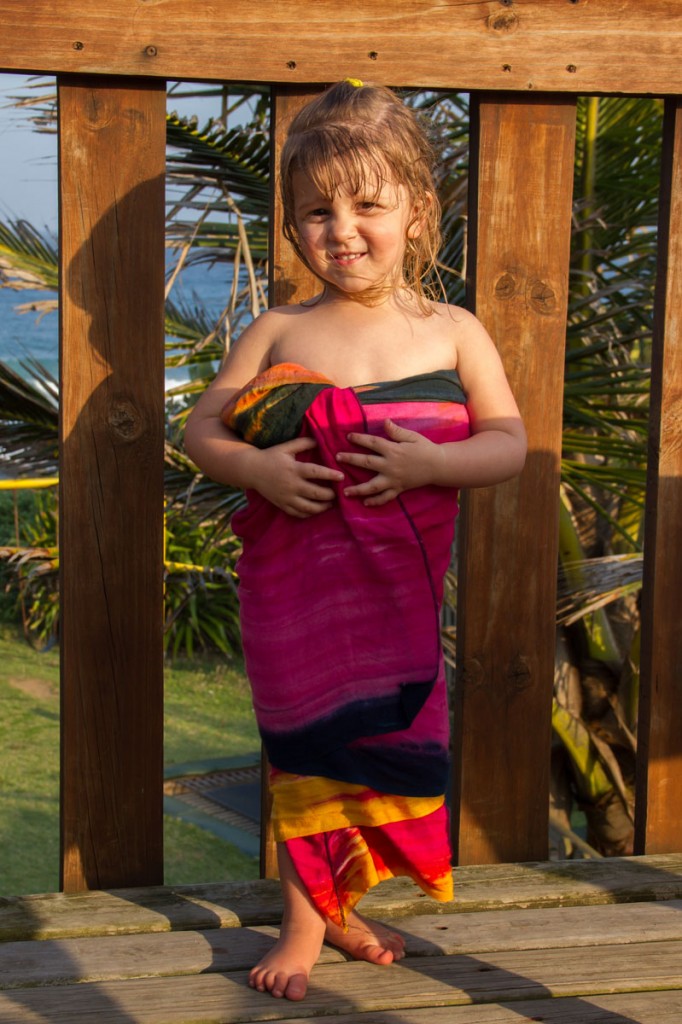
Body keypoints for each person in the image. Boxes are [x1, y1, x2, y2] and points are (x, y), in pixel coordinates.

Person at [184, 79, 527, 1002]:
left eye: (369, 204)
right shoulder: (281, 327)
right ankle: (304, 921)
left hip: (399, 596)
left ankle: (343, 905)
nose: (343, 229)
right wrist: (255, 471)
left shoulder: (453, 332)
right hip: (298, 592)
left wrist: (431, 467)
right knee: (309, 748)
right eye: (316, 212)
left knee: (388, 746)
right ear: (292, 226)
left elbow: (508, 443)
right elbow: (201, 432)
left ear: (418, 209)